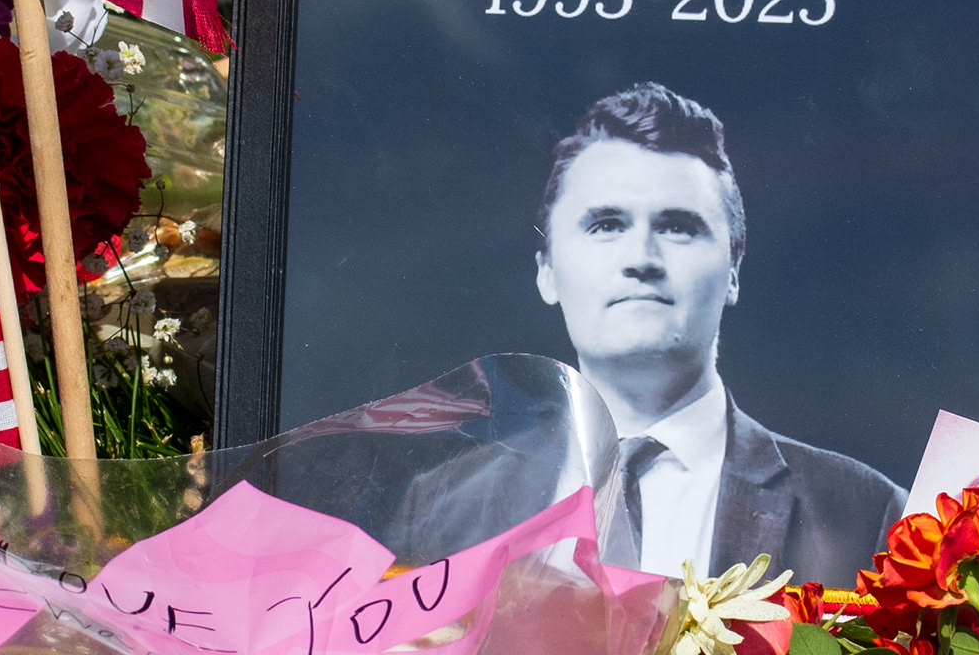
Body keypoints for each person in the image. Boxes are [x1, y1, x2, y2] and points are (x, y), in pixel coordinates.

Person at [369, 80, 905, 585]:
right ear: (547, 270)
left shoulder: (868, 514)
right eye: (606, 225)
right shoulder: (440, 507)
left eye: (678, 226)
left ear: (734, 269)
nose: (641, 260)